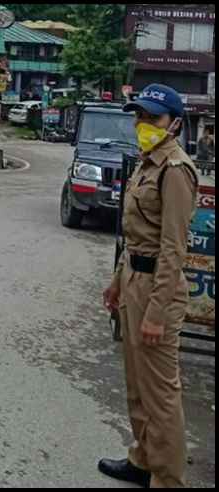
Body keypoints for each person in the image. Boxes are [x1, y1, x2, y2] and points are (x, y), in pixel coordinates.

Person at [100, 84, 198, 488]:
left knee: (160, 393)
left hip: (160, 286)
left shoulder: (176, 171)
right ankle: (143, 460)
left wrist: (157, 313)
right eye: (138, 115)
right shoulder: (147, 163)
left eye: (152, 117)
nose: (143, 123)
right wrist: (117, 281)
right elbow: (135, 235)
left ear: (174, 124)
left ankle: (168, 479)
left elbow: (173, 250)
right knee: (137, 385)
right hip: (135, 280)